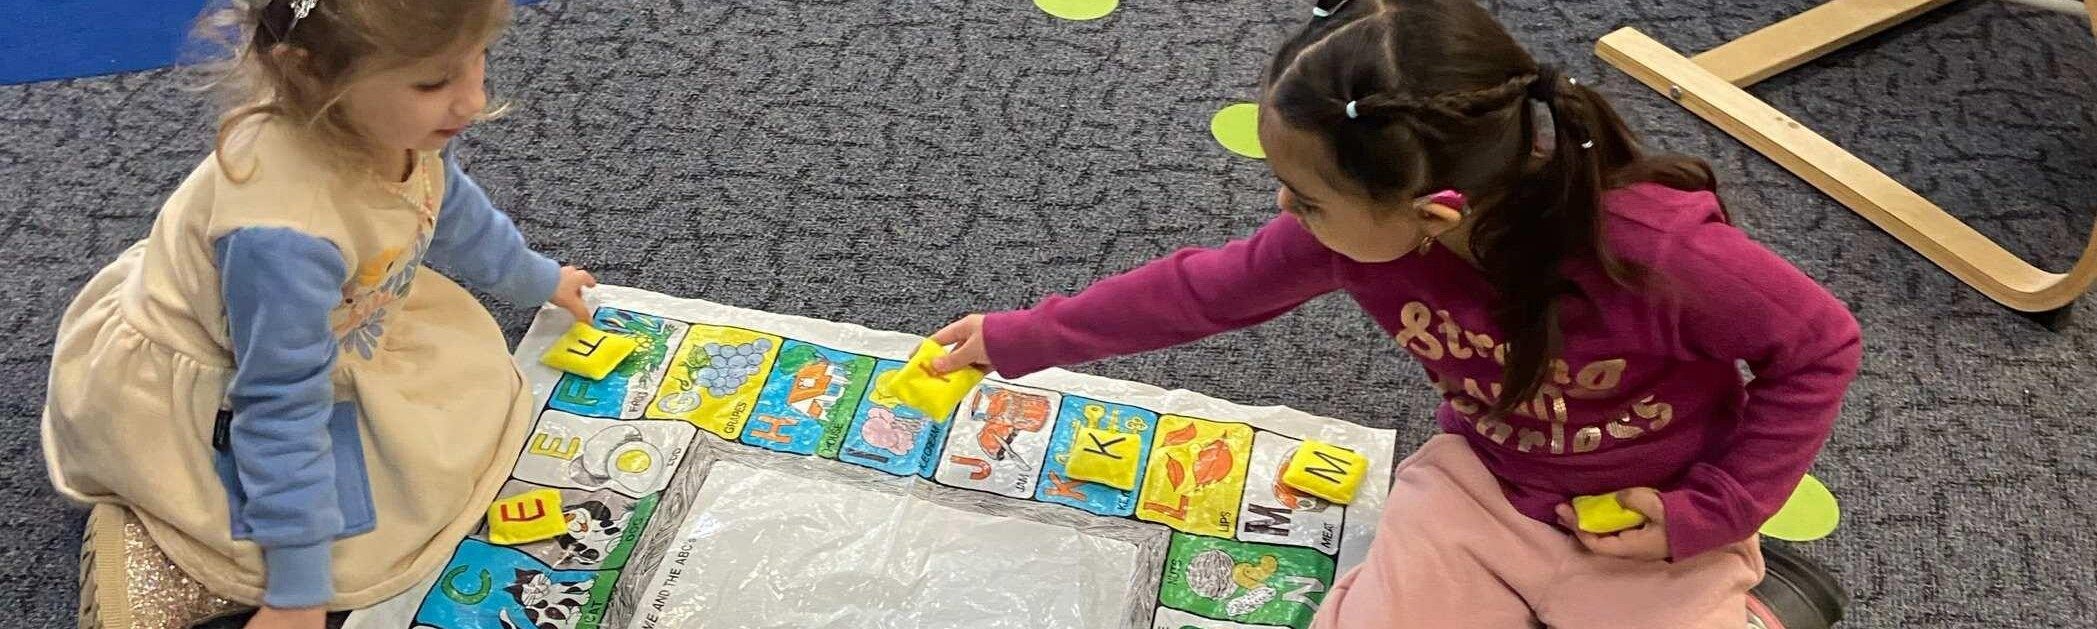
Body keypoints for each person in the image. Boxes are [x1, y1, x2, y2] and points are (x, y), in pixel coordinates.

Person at [928, 0, 1862, 625]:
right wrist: (1018, 336)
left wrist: (1717, 508)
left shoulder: (1658, 252)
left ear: (1432, 214)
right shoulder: (1346, 236)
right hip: (1481, 488)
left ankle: (1776, 591)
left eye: (1307, 195)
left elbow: (1818, 348)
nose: (1286, 213)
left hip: (1646, 514)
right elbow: (1198, 289)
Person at [41, 1, 594, 627]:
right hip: (221, 383)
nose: (473, 100)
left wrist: (538, 279)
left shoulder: (389, 128)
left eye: (477, 62)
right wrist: (298, 597)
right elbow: (280, 408)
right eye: (434, 81)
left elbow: (449, 209)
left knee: (456, 418)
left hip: (330, 320)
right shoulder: (284, 239)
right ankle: (159, 556)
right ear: (310, 75)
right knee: (345, 533)